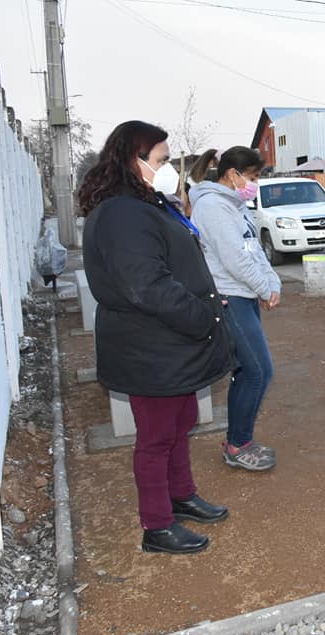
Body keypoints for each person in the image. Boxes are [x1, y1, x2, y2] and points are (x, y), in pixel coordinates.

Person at [78, 121, 232, 555]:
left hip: (170, 345)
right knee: (156, 437)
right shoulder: (121, 214)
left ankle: (180, 496)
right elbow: (147, 286)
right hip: (150, 346)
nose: (170, 169)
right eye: (162, 161)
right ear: (134, 161)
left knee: (180, 424)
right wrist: (202, 319)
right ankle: (157, 525)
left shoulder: (145, 203)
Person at [189, 147, 281, 472]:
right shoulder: (213, 206)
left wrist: (272, 282)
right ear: (233, 175)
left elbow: (253, 250)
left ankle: (237, 440)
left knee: (249, 370)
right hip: (229, 296)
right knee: (257, 371)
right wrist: (263, 287)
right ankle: (238, 444)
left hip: (245, 295)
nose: (254, 184)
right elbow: (234, 259)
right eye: (253, 177)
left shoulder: (237, 206)